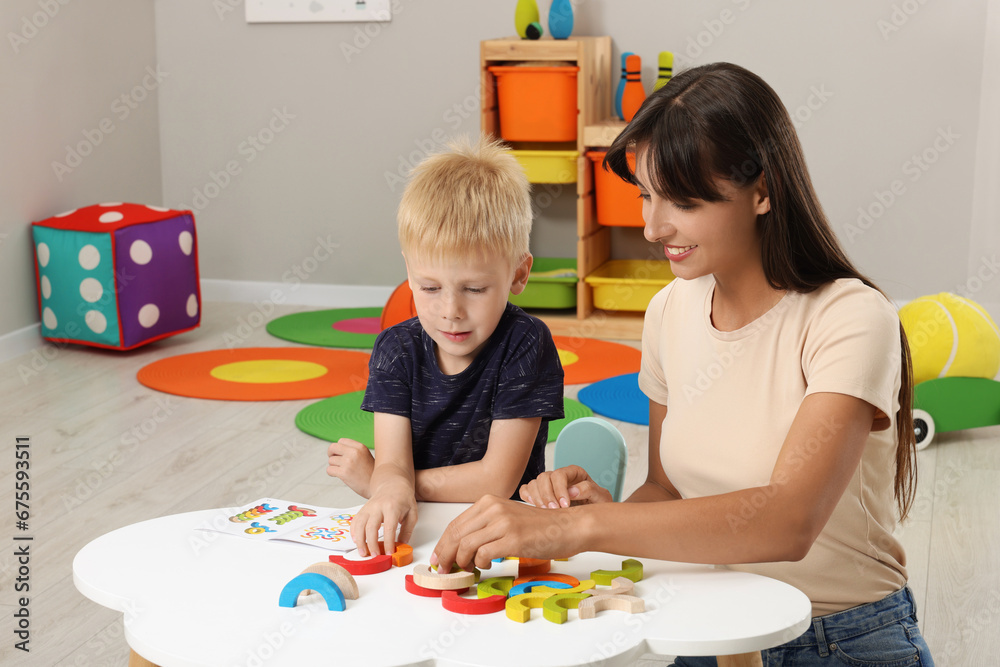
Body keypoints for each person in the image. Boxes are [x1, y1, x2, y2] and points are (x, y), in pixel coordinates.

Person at [431, 63, 933, 665]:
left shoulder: (850, 318)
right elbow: (667, 489)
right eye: (646, 194)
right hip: (710, 623)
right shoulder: (670, 310)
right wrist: (603, 512)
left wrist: (575, 532)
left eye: (684, 202)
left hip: (836, 638)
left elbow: (788, 521)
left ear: (763, 190)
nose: (652, 226)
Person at [328, 136, 565, 559]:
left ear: (518, 274)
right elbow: (393, 462)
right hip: (418, 534)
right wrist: (390, 481)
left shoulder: (527, 344)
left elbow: (497, 481)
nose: (450, 311)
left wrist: (383, 483)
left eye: (474, 288)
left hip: (502, 541)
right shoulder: (395, 349)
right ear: (409, 270)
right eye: (430, 287)